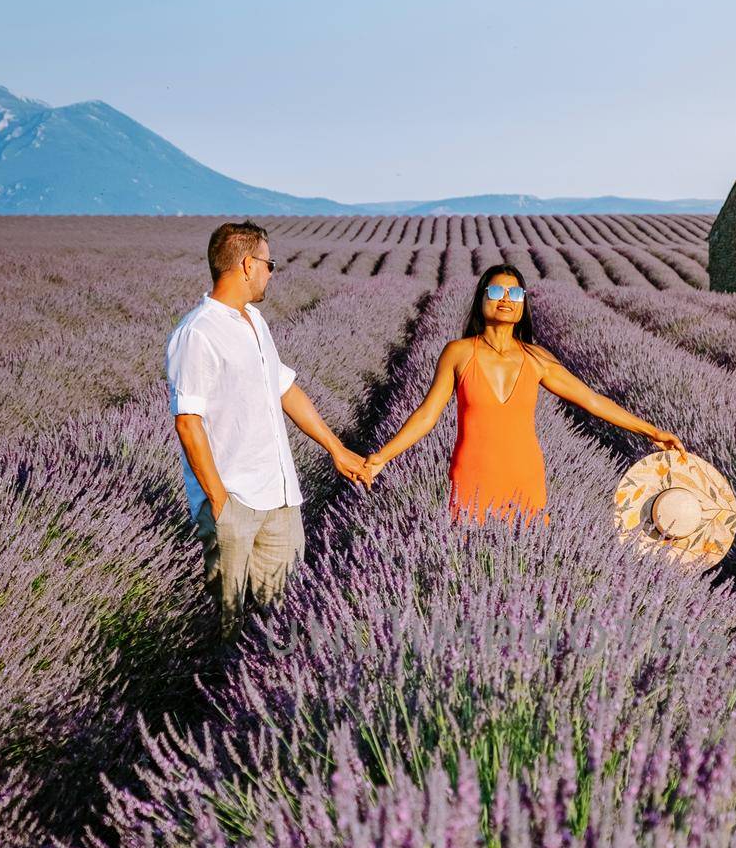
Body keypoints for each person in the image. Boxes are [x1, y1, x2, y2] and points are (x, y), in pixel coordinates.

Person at [165, 220, 370, 641]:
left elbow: (286, 389)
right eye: (268, 262)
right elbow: (188, 422)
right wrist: (220, 502)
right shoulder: (197, 333)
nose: (271, 272)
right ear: (246, 264)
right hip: (234, 502)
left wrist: (336, 448)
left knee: (284, 622)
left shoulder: (255, 322)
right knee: (227, 627)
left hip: (280, 498)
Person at [365, 264, 688, 523]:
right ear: (481, 299)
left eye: (514, 292)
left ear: (522, 303)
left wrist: (652, 431)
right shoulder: (459, 353)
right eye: (496, 291)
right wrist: (381, 457)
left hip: (524, 474)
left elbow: (591, 400)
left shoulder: (537, 359)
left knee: (526, 553)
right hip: (473, 473)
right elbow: (426, 414)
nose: (505, 298)